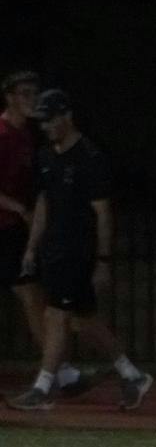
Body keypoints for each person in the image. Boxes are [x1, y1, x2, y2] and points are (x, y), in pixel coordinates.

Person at [6, 90, 152, 411]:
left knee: (55, 315)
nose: (45, 127)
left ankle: (43, 388)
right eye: (42, 121)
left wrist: (102, 260)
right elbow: (44, 202)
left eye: (51, 120)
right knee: (86, 320)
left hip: (78, 250)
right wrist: (32, 247)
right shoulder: (45, 157)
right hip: (54, 250)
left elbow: (102, 212)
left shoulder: (90, 157)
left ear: (67, 117)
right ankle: (132, 374)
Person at [0, 70, 79, 392]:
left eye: (35, 93)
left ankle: (57, 369)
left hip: (13, 227)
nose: (32, 100)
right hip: (4, 227)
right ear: (10, 97)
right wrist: (20, 209)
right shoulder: (3, 135)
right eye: (25, 94)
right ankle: (58, 371)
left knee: (34, 295)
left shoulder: (26, 136)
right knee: (31, 295)